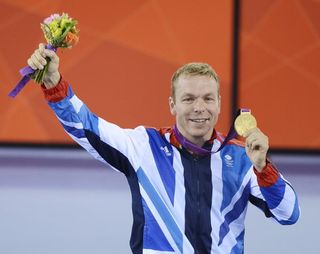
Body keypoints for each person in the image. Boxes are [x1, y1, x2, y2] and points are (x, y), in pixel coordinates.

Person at [27, 43, 300, 254]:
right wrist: (54, 84)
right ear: (172, 104)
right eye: (188, 98)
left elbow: (289, 215)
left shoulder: (242, 159)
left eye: (207, 98)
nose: (198, 108)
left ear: (219, 103)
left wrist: (264, 168)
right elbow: (87, 126)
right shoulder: (144, 146)